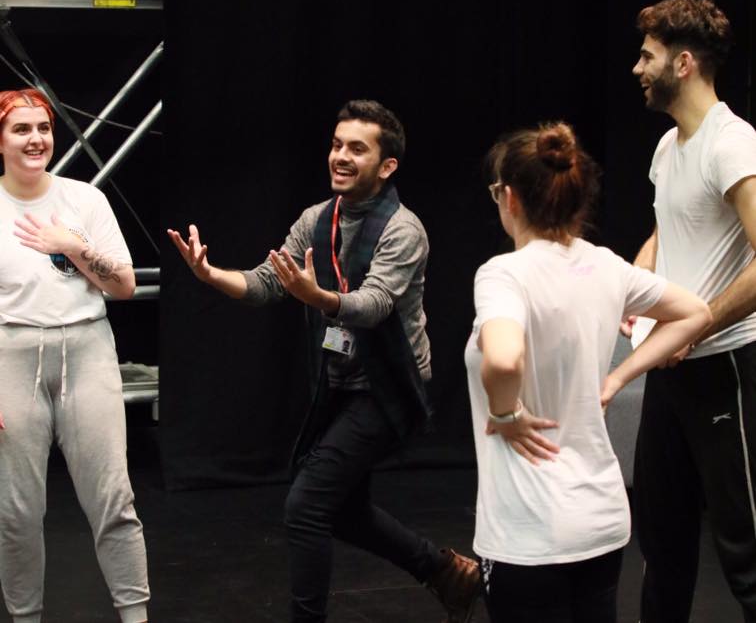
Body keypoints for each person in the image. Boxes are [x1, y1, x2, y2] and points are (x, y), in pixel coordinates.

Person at [168, 99, 480, 623]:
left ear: (387, 166)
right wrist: (211, 276)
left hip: (389, 387)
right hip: (339, 383)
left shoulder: (404, 229)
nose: (340, 156)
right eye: (337, 145)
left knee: (307, 506)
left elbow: (374, 306)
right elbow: (267, 283)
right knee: (344, 511)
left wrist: (317, 298)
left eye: (357, 148)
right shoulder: (317, 219)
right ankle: (446, 571)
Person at [464, 121, 711, 623]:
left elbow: (504, 357)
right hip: (600, 524)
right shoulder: (606, 266)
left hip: (528, 535)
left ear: (509, 198)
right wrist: (620, 379)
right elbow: (696, 312)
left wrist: (505, 411)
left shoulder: (502, 274)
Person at [627, 0, 756, 621]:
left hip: (727, 367)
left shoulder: (732, 145)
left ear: (682, 64)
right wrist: (632, 285)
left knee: (745, 547)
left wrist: (695, 325)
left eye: (647, 56)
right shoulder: (667, 149)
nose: (637, 68)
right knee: (662, 542)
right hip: (670, 368)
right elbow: (664, 232)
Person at [0, 88, 150, 623]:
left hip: (86, 350)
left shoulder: (85, 199)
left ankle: (135, 618)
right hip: (11, 357)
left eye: (43, 127)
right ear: (1, 140)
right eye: (21, 129)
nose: (36, 138)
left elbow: (125, 286)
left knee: (114, 500)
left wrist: (71, 245)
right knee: (16, 512)